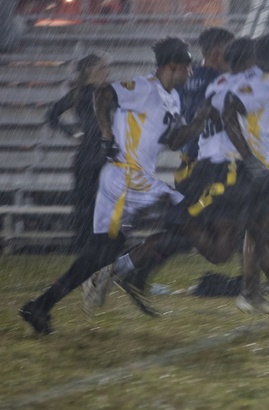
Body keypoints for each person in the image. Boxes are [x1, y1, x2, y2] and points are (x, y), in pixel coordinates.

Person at [95, 35, 269, 338]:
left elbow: (214, 113)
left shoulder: (220, 82)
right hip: (244, 174)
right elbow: (228, 113)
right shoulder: (262, 83)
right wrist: (250, 159)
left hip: (220, 170)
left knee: (224, 249)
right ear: (267, 59)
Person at [19, 39, 203, 334]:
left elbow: (173, 141)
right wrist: (106, 132)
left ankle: (43, 305)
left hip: (137, 179)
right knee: (189, 217)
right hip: (123, 178)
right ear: (172, 66)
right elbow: (103, 94)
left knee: (104, 252)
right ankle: (127, 274)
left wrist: (200, 121)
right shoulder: (142, 87)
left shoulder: (173, 98)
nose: (192, 71)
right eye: (188, 65)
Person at [45, 52, 110, 246]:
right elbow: (51, 115)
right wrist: (72, 133)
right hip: (90, 156)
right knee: (87, 202)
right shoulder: (80, 94)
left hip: (102, 155)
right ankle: (89, 243)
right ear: (90, 70)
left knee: (100, 202)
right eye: (102, 68)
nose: (106, 72)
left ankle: (98, 242)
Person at [176, 28, 234, 179]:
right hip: (214, 163)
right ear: (216, 53)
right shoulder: (221, 82)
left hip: (188, 161)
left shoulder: (185, 77)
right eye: (230, 51)